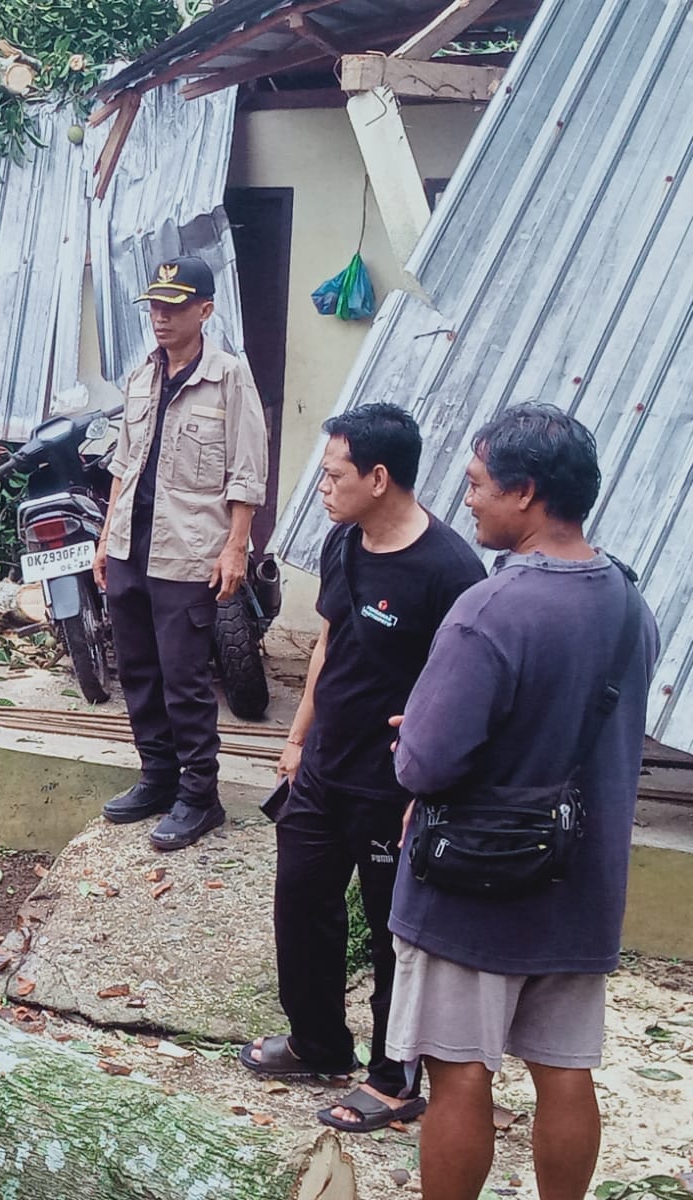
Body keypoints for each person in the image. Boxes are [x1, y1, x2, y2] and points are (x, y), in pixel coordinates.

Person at [386, 404, 658, 1200]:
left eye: (476, 484)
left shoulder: (491, 608)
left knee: (460, 1074)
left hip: (478, 884)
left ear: (526, 493)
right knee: (566, 1072)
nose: (466, 500)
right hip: (582, 882)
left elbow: (426, 764)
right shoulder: (627, 603)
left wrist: (415, 733)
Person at [239, 403, 485, 1132]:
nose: (322, 486)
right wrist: (297, 739)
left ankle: (394, 1075)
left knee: (390, 933)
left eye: (334, 474)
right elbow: (326, 645)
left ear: (380, 477)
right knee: (301, 905)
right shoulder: (344, 538)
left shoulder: (451, 572)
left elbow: (464, 690)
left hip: (394, 784)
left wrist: (433, 785)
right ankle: (317, 1042)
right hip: (323, 768)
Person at [93, 257, 268, 851]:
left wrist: (236, 546)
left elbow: (246, 470)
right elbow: (124, 462)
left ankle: (200, 796)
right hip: (129, 546)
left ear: (205, 310)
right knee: (136, 670)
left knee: (184, 677)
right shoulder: (141, 376)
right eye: (155, 306)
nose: (160, 317)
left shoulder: (229, 377)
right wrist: (104, 538)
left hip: (187, 550)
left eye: (174, 306)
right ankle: (157, 777)